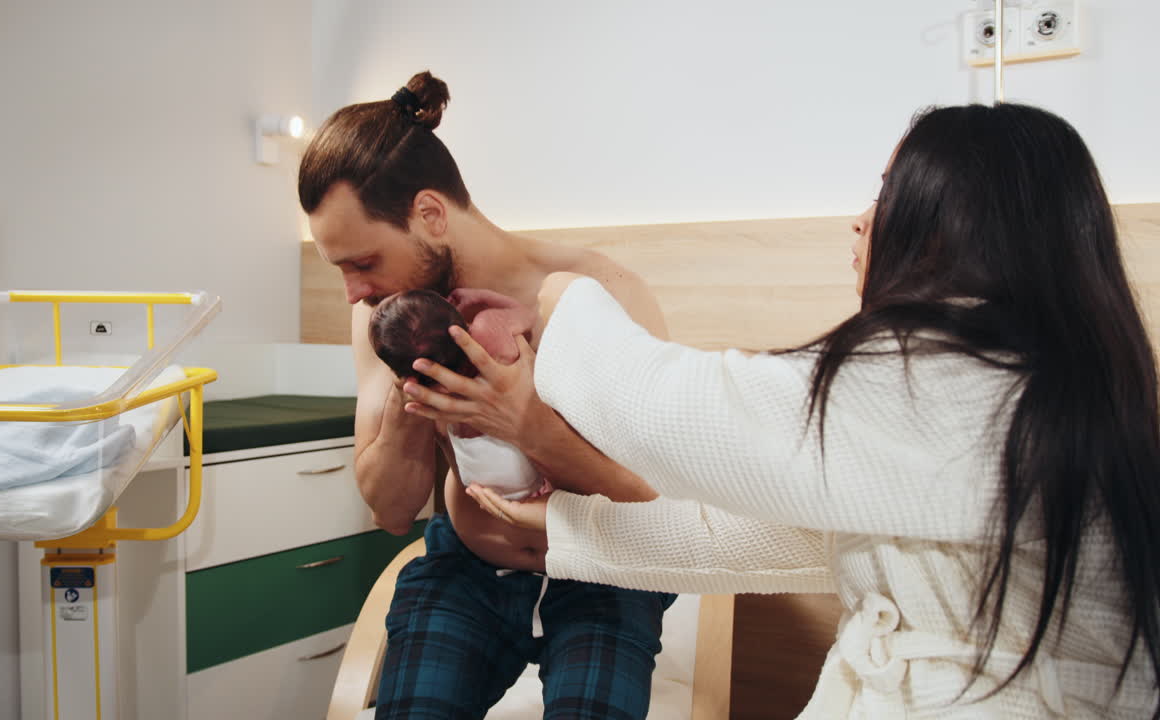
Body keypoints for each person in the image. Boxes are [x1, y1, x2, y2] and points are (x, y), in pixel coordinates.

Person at [401, 103, 1160, 717]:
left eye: (888, 194)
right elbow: (750, 538)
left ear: (959, 225)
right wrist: (569, 526)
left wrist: (558, 297)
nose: (860, 221)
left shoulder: (970, 388)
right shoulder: (1034, 384)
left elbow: (676, 406)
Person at [297, 71, 674, 719]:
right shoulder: (383, 315)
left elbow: (657, 510)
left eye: (362, 262)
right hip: (467, 569)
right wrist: (406, 392)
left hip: (602, 571)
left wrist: (529, 425)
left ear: (430, 214)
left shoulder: (592, 292)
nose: (353, 295)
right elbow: (391, 510)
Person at [369, 288, 548, 500]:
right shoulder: (487, 330)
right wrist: (482, 297)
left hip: (478, 476)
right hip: (526, 466)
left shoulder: (422, 389)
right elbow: (528, 315)